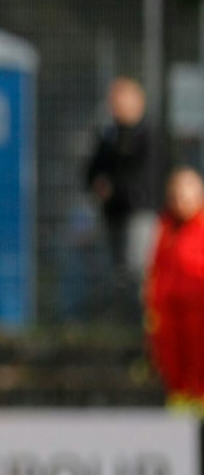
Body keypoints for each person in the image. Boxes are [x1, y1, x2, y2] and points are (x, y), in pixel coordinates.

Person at [86, 77, 159, 311]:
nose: (114, 105)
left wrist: (114, 188)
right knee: (117, 274)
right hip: (113, 212)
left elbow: (145, 176)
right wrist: (97, 184)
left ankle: (143, 321)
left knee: (137, 269)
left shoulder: (148, 135)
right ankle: (123, 321)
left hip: (140, 212)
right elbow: (93, 168)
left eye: (120, 99)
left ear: (137, 102)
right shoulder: (110, 135)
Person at [145, 168, 204, 408]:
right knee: (172, 363)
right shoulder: (165, 227)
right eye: (175, 196)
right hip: (170, 314)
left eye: (185, 196)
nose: (180, 202)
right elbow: (156, 268)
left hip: (198, 312)